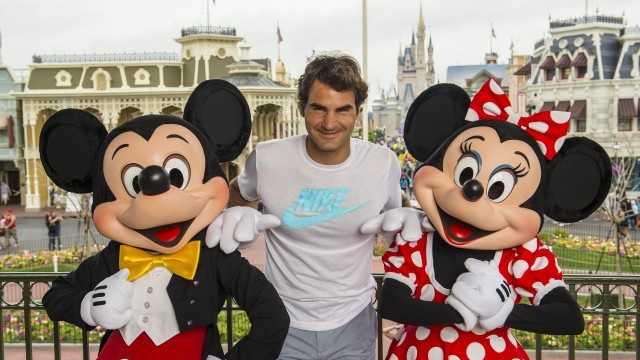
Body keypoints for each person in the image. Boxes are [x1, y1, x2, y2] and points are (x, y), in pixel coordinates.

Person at [206, 55, 425, 359]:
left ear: (358, 113)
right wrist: (232, 212)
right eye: (319, 108)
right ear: (303, 109)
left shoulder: (382, 162)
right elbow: (237, 193)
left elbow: (393, 223)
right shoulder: (268, 158)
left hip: (354, 320)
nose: (330, 122)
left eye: (342, 110)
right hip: (282, 320)